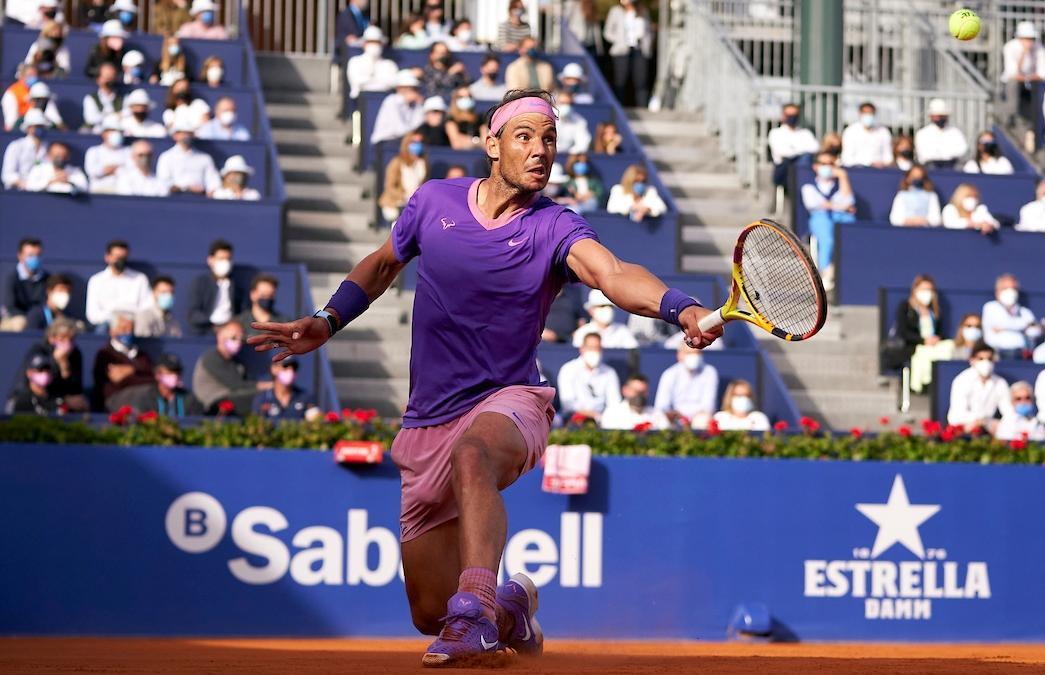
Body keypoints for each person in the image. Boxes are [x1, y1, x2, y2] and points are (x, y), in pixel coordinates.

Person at [246, 89, 722, 665]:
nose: (541, 150)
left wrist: (680, 307)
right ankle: (507, 604)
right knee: (428, 612)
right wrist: (328, 319)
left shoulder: (554, 226)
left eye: (549, 139)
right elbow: (381, 264)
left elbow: (613, 274)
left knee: (473, 458)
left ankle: (477, 613)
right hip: (427, 419)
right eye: (525, 136)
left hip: (511, 400)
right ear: (491, 145)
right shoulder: (432, 202)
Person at [800, 151, 854, 284]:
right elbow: (813, 204)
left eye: (831, 163)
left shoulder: (840, 184)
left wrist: (843, 176)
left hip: (839, 217)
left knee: (851, 223)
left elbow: (849, 202)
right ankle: (826, 273)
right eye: (823, 163)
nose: (828, 167)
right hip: (820, 218)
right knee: (827, 239)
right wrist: (841, 207)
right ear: (815, 166)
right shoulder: (808, 186)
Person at [192, 320, 260, 415]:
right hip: (212, 408)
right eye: (233, 338)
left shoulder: (238, 363)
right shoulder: (211, 358)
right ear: (220, 336)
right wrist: (266, 387)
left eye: (241, 339)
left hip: (234, 405)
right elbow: (237, 385)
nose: (238, 342)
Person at [93, 312, 156, 411]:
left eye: (131, 329)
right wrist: (142, 373)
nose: (128, 332)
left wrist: (132, 370)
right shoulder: (105, 354)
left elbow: (155, 378)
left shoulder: (142, 355)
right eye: (123, 329)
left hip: (143, 396)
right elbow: (118, 382)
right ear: (112, 331)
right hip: (114, 400)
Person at [86, 239, 152, 330]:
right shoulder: (96, 281)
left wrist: (129, 320)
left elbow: (147, 308)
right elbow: (92, 315)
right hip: (107, 325)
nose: (120, 261)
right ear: (107, 257)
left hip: (134, 325)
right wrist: (115, 319)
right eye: (117, 257)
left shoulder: (140, 279)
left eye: (123, 258)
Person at [556, 332, 621, 421]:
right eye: (590, 347)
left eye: (597, 348)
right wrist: (591, 414)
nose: (594, 351)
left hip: (602, 420)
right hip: (573, 418)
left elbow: (614, 403)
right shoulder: (568, 369)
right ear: (582, 349)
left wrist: (603, 418)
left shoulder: (609, 372)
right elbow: (568, 404)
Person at [947, 343, 1010, 434]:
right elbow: (958, 413)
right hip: (962, 426)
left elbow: (1008, 411)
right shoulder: (961, 380)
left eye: (989, 359)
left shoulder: (1000, 383)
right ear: (972, 360)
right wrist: (980, 421)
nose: (986, 362)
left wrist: (999, 424)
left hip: (988, 427)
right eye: (981, 359)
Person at [654, 343, 719, 430]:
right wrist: (672, 414)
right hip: (675, 417)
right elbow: (661, 405)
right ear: (679, 355)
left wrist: (687, 416)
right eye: (689, 353)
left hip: (699, 416)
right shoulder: (669, 374)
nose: (694, 356)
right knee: (661, 419)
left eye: (697, 353)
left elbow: (708, 406)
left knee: (702, 420)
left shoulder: (709, 372)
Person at [187, 239, 241, 335]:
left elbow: (242, 314)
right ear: (210, 260)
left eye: (228, 259)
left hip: (230, 334)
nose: (225, 263)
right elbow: (193, 314)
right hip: (206, 333)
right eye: (221, 258)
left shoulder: (236, 285)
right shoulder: (200, 283)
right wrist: (212, 323)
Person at [603, 0, 652, 107]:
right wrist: (619, 40)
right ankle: (619, 108)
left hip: (639, 50)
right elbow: (607, 32)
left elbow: (649, 31)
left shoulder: (643, 11)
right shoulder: (615, 11)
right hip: (621, 50)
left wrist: (648, 45)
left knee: (641, 81)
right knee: (620, 81)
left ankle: (642, 107)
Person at [1000, 21, 1045, 123]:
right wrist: (1023, 54)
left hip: (1031, 82)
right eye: (1026, 38)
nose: (1029, 42)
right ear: (1019, 38)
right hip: (1013, 83)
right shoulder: (1010, 47)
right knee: (1013, 84)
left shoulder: (1039, 48)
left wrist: (1028, 78)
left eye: (1031, 39)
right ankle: (1010, 117)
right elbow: (1013, 73)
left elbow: (1044, 74)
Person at [156, 117, 220, 196]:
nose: (186, 136)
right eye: (183, 133)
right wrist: (186, 188)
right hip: (174, 200)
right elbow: (164, 184)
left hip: (200, 201)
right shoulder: (166, 157)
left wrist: (209, 191)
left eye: (189, 133)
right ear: (175, 135)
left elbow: (213, 182)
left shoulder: (205, 158)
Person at [981, 274, 1039, 360]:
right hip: (997, 356)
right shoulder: (990, 307)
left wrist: (1004, 328)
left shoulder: (1025, 312)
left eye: (1013, 289)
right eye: (1005, 288)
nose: (1010, 292)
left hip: (1022, 356)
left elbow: (1035, 332)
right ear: (997, 292)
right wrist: (1025, 326)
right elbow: (1003, 322)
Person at [130, 352, 204, 417]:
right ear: (157, 375)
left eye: (177, 372)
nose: (175, 376)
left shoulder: (189, 399)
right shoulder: (146, 398)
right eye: (170, 372)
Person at [379, 132, 428, 222]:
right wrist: (405, 196)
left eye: (420, 142)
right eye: (414, 142)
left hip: (414, 204)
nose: (417, 145)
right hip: (396, 203)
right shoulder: (397, 162)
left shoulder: (422, 163)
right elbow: (389, 186)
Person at [767, 103, 819, 187]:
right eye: (789, 115)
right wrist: (803, 149)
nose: (792, 117)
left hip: (803, 169)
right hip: (784, 170)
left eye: (794, 115)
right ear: (783, 116)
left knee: (806, 160)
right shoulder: (776, 133)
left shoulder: (805, 133)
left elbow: (815, 148)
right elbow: (783, 152)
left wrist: (793, 149)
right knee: (803, 159)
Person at [370, 71, 425, 146]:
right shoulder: (391, 100)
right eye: (408, 88)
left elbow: (416, 125)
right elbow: (398, 130)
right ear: (398, 88)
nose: (412, 92)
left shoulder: (413, 105)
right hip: (384, 143)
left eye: (414, 88)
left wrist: (419, 106)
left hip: (402, 143)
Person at [252, 359, 317, 420]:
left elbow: (315, 422)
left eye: (293, 368)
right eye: (285, 367)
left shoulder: (305, 397)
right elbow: (257, 426)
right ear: (274, 369)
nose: (290, 371)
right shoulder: (262, 399)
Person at [571, 289, 638, 348]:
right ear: (591, 310)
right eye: (602, 306)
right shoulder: (581, 333)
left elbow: (634, 356)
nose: (607, 309)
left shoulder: (623, 332)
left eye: (610, 306)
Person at [1, 109, 49, 190]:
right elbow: (7, 175)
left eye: (41, 126)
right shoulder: (16, 146)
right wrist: (25, 184)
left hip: (42, 192)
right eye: (36, 126)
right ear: (28, 128)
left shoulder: (48, 147)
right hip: (19, 193)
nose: (39, 129)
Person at [914, 99, 967, 170]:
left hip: (952, 167)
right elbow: (924, 155)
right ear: (931, 116)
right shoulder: (922, 133)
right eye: (937, 116)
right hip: (930, 168)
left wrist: (944, 155)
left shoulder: (955, 132)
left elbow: (962, 150)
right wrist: (946, 153)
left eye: (941, 116)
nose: (939, 118)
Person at [599, 374, 668, 430]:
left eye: (642, 392)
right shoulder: (612, 413)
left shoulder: (657, 414)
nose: (639, 395)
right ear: (625, 390)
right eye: (635, 391)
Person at [84, 116, 129, 194]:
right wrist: (113, 169)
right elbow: (92, 172)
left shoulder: (128, 151)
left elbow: (130, 172)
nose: (116, 133)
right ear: (104, 133)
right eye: (112, 130)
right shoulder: (94, 151)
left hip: (121, 193)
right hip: (98, 191)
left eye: (119, 131)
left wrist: (111, 170)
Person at [840, 102, 892, 168]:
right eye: (865, 113)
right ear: (860, 114)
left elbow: (888, 156)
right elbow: (846, 158)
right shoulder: (850, 131)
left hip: (880, 171)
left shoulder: (883, 131)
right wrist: (869, 163)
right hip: (857, 170)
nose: (868, 115)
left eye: (870, 113)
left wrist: (883, 164)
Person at [6, 238, 47, 320]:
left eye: (38, 255)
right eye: (30, 255)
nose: (35, 259)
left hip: (39, 321)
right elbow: (9, 307)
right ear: (20, 256)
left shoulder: (47, 278)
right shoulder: (11, 278)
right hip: (17, 320)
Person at [82, 62, 123, 132]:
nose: (109, 80)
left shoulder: (123, 98)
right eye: (106, 77)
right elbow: (91, 119)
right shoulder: (90, 99)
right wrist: (112, 115)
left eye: (112, 77)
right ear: (98, 79)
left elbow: (126, 115)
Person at [2, 65, 39, 132]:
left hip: (36, 127)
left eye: (35, 75)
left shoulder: (38, 90)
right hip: (19, 130)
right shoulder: (11, 93)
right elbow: (11, 122)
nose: (33, 78)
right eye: (30, 75)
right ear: (22, 76)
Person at [554, 91, 592, 156]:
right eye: (563, 103)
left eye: (569, 104)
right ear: (555, 104)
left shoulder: (579, 121)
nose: (566, 106)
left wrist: (570, 153)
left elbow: (583, 142)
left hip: (568, 157)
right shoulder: (546, 117)